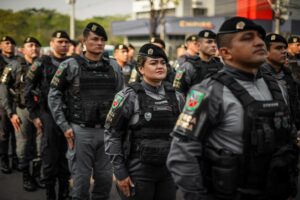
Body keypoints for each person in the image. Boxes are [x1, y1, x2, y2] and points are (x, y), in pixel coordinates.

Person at [167, 16, 299, 200]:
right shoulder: (208, 91)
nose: (259, 42)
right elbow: (182, 154)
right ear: (225, 53)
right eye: (247, 38)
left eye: (259, 37)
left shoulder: (275, 85)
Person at [48, 22, 124, 200]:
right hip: (80, 132)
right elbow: (54, 95)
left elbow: (121, 98)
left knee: (105, 181)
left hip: (106, 132)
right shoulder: (70, 65)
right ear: (84, 41)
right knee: (81, 183)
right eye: (95, 39)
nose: (99, 43)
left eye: (102, 40)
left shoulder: (113, 67)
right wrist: (64, 125)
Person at [104, 43, 185, 200]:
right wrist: (120, 173)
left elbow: (183, 136)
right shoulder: (128, 96)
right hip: (139, 170)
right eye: (153, 63)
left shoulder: (177, 97)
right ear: (141, 69)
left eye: (162, 62)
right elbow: (112, 134)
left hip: (168, 170)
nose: (160, 66)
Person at [25, 30, 70, 200]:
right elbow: (27, 89)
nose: (63, 44)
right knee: (50, 156)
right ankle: (50, 192)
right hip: (48, 115)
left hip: (69, 116)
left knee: (67, 156)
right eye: (60, 41)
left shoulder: (72, 62)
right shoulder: (41, 63)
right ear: (52, 44)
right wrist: (35, 115)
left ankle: (65, 191)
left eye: (66, 42)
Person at [0, 36, 43, 191]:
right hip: (22, 110)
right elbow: (4, 89)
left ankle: (37, 174)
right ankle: (26, 175)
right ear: (23, 49)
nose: (34, 48)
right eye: (30, 45)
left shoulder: (43, 65)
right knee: (23, 145)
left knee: (40, 145)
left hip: (41, 111)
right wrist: (11, 113)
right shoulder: (13, 65)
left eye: (36, 45)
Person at [261, 33, 300, 132]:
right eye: (278, 48)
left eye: (284, 48)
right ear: (266, 52)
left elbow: (295, 105)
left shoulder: (288, 76)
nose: (284, 51)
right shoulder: (259, 77)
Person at [0, 36, 17, 174]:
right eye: (7, 43)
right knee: (4, 133)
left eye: (12, 43)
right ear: (1, 45)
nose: (10, 45)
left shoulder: (18, 61)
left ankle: (16, 159)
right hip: (2, 102)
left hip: (16, 101)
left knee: (17, 132)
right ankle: (4, 159)